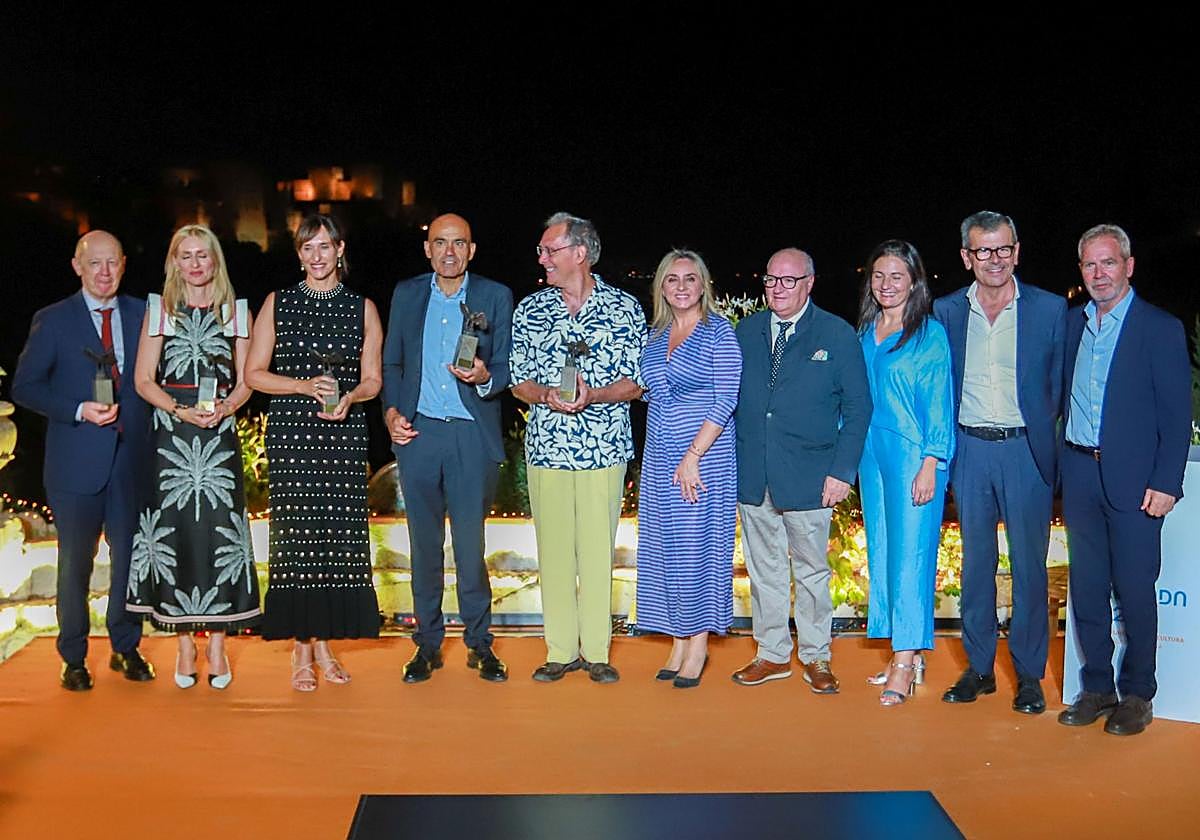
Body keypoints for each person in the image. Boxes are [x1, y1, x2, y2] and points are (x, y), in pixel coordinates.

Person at [1058, 224, 1190, 736]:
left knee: (1135, 590)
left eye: (1108, 262)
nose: (1099, 273)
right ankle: (1095, 687)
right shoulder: (1073, 326)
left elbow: (1177, 417)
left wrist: (1167, 482)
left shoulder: (1160, 328)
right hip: (1079, 472)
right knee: (1088, 590)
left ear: (1128, 266)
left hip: (1137, 483)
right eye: (1089, 264)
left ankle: (1138, 693)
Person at [933, 210, 1066, 715]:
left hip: (1025, 452)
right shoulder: (945, 312)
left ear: (1017, 251)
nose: (995, 259)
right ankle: (980, 668)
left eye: (1004, 248)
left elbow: (1061, 383)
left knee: (1029, 567)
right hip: (970, 450)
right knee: (976, 564)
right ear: (967, 257)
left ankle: (1029, 675)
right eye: (983, 250)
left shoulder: (1051, 310)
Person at [12, 230, 155, 690]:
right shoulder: (52, 320)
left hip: (130, 459)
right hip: (74, 463)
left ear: (124, 264)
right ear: (78, 267)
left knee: (131, 557)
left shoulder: (144, 314)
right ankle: (73, 656)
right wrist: (77, 409)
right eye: (95, 264)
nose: (105, 272)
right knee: (75, 562)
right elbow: (25, 387)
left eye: (112, 263)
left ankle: (125, 646)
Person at [245, 213, 382, 691]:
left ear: (340, 249)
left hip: (343, 434)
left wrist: (350, 397)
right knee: (296, 543)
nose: (317, 256)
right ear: (299, 253)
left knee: (336, 543)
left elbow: (373, 379)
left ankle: (324, 645)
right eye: (308, 248)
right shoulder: (277, 303)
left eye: (325, 247)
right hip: (293, 434)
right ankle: (301, 651)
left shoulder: (362, 307)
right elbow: (254, 375)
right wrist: (304, 386)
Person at [510, 212, 646, 684]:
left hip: (603, 448)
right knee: (553, 550)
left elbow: (636, 383)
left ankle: (597, 651)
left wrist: (595, 395)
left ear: (579, 254)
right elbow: (518, 380)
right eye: (543, 251)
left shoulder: (625, 308)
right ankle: (560, 650)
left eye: (550, 250)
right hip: (547, 447)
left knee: (596, 549)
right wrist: (545, 395)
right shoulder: (530, 309)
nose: (542, 258)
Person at [125, 224, 260, 689]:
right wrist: (177, 408)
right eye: (187, 256)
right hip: (172, 436)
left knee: (217, 535)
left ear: (216, 260)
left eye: (203, 255)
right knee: (179, 535)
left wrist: (227, 406)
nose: (196, 264)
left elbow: (247, 379)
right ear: (175, 262)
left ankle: (218, 644)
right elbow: (144, 379)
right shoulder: (159, 309)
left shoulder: (236, 311)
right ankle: (184, 642)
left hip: (219, 434)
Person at [731, 247, 871, 693]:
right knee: (763, 570)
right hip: (754, 473)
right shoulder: (747, 331)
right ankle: (772, 654)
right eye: (771, 279)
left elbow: (858, 408)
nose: (779, 288)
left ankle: (816, 655)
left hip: (812, 476)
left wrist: (842, 472)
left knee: (812, 571)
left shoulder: (837, 333)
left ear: (810, 282)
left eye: (789, 280)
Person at [382, 213, 513, 684]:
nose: (450, 251)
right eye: (440, 243)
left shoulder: (495, 296)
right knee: (423, 547)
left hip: (469, 437)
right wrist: (392, 413)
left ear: (471, 250)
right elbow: (393, 362)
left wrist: (483, 377)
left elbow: (505, 366)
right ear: (428, 249)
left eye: (459, 243)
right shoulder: (408, 294)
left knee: (471, 547)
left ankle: (480, 644)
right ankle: (427, 645)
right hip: (418, 436)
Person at [635, 249, 742, 689]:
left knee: (697, 549)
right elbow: (649, 392)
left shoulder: (719, 333)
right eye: (672, 279)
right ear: (661, 286)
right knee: (664, 549)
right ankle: (677, 639)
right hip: (660, 455)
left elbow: (725, 398)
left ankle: (698, 643)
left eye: (690, 279)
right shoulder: (656, 336)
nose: (681, 286)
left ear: (704, 286)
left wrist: (693, 455)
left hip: (703, 457)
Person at [856, 240, 954, 705]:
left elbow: (939, 401)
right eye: (879, 276)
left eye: (897, 276)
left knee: (912, 556)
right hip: (871, 455)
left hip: (916, 454)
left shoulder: (928, 334)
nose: (886, 284)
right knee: (883, 552)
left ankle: (904, 659)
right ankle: (905, 648)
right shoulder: (866, 330)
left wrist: (932, 461)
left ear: (914, 281)